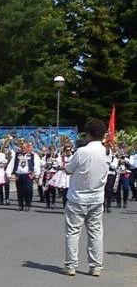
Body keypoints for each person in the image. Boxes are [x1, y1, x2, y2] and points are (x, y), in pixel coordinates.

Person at [62, 118, 109, 277]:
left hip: (77, 198)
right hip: (97, 198)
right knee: (95, 232)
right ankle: (96, 266)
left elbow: (68, 170)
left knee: (73, 232)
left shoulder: (82, 152)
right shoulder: (106, 151)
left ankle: (71, 265)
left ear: (88, 134)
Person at [8, 140, 41, 211]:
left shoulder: (33, 155)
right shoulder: (16, 155)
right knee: (20, 191)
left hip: (28, 175)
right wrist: (8, 173)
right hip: (19, 175)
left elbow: (36, 165)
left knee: (28, 190)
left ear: (27, 148)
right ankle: (20, 205)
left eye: (24, 148)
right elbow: (11, 164)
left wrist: (37, 174)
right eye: (22, 148)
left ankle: (28, 204)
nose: (23, 149)